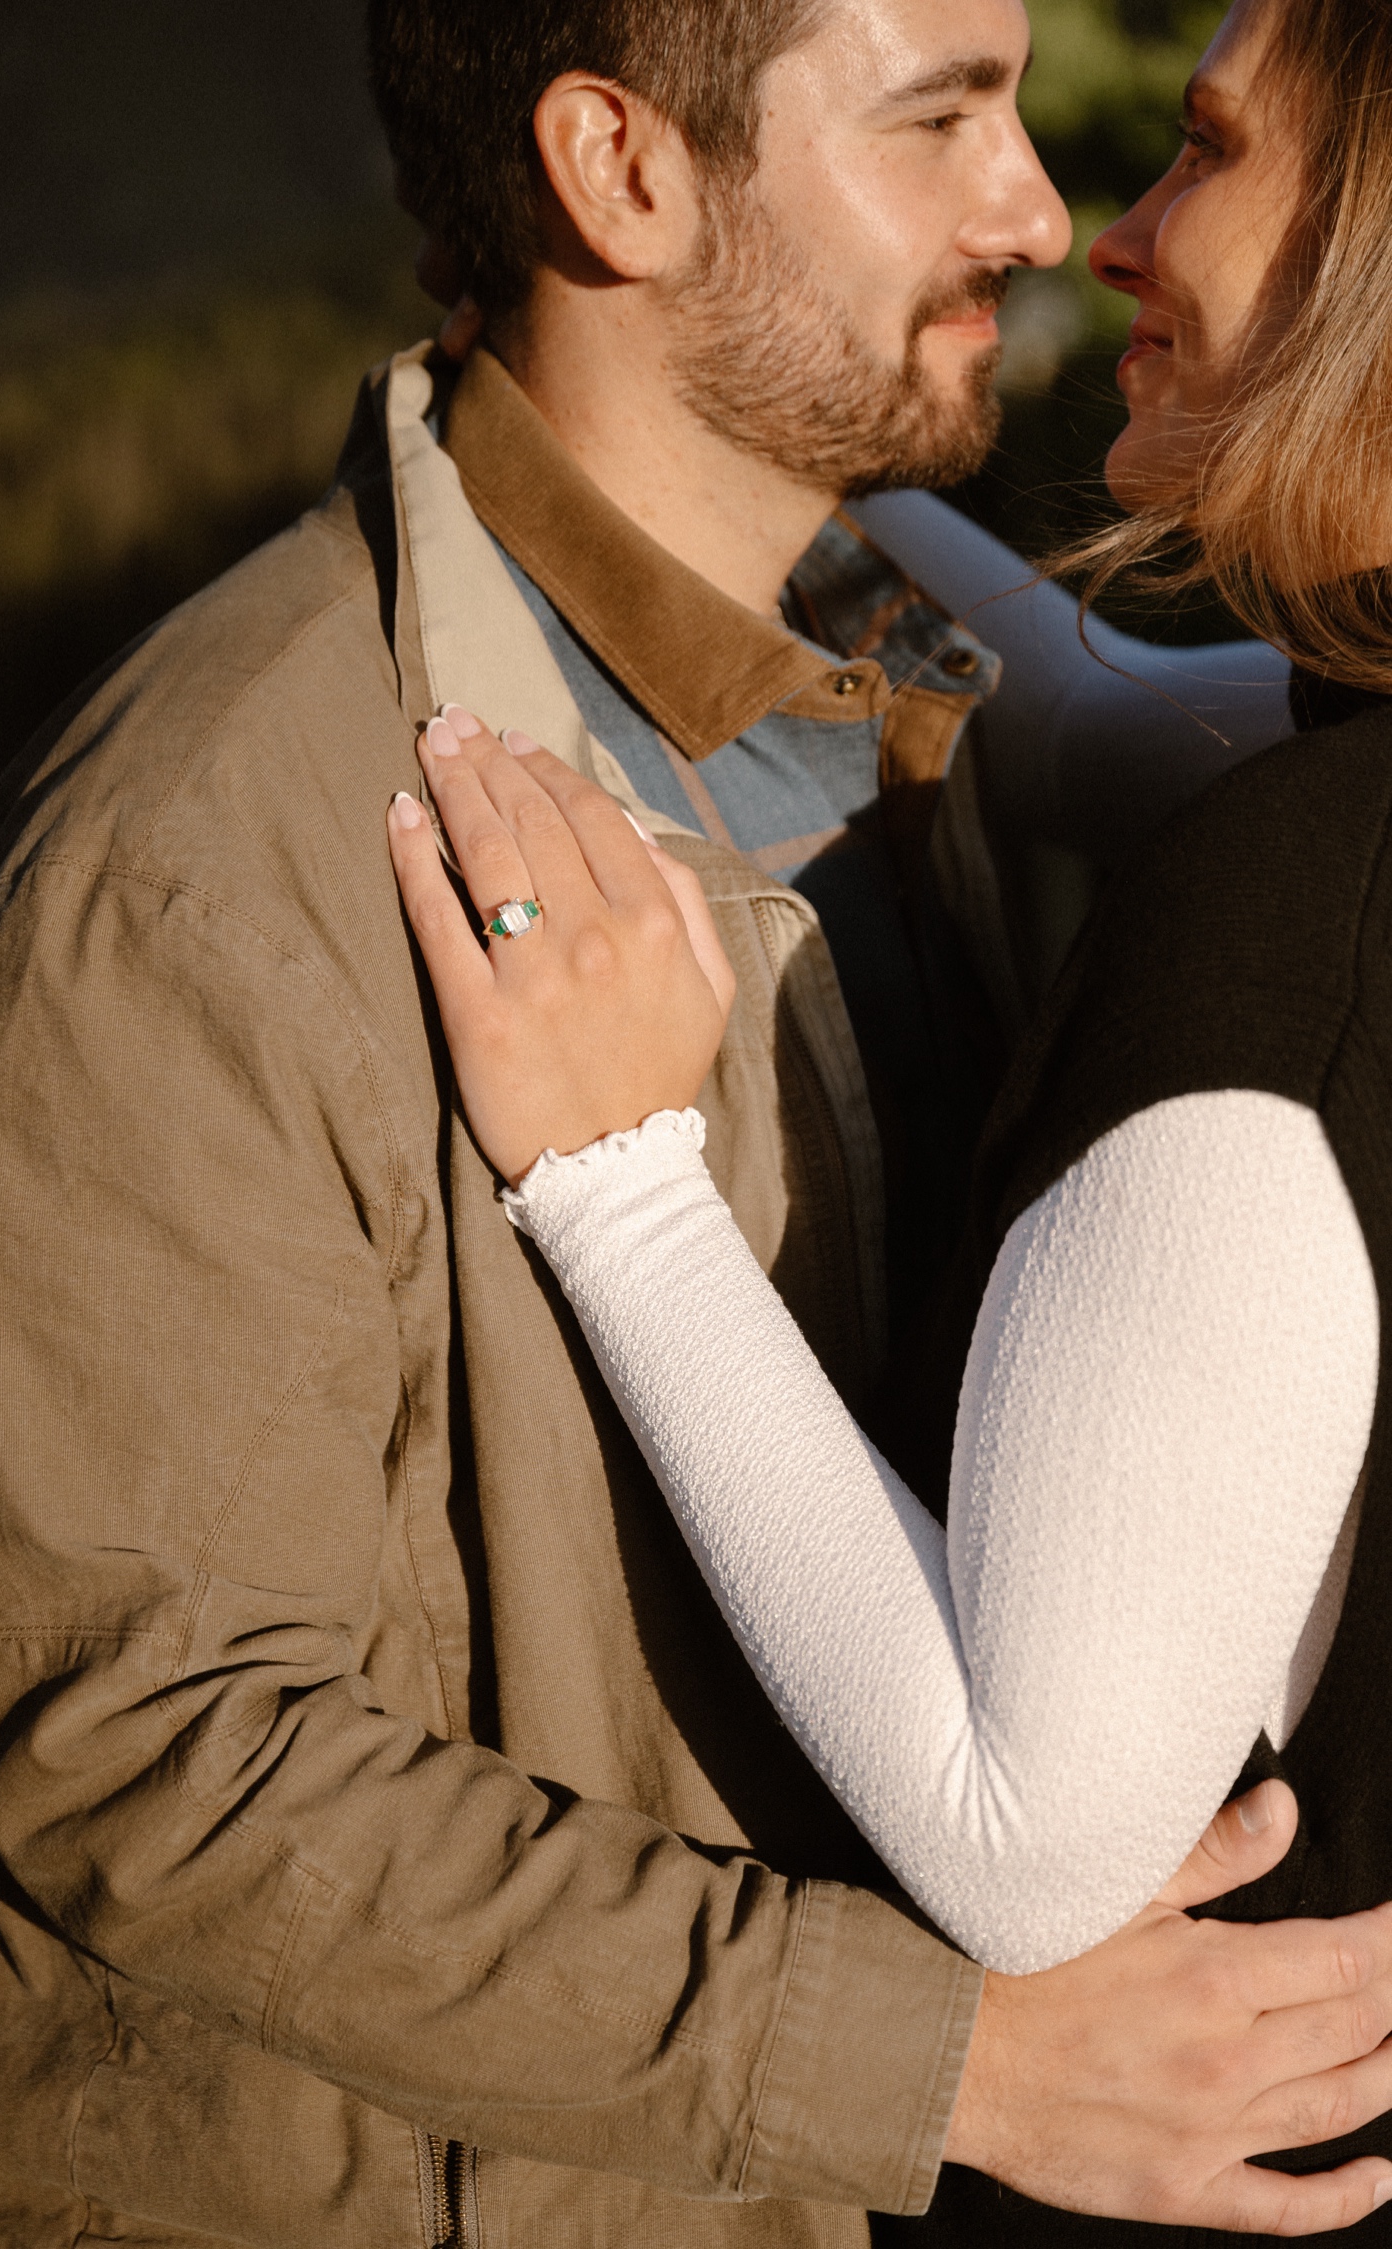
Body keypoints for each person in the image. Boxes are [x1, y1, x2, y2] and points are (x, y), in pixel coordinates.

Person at [0, 0, 1389, 2243]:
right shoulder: (213, 870)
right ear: (621, 173)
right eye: (940, 122)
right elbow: (153, 1751)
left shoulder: (913, 708)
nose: (1041, 211)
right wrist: (943, 2061)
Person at [382, 0, 1392, 2240]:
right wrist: (684, 463)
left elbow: (1025, 1841)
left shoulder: (1302, 916)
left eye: (1204, 151)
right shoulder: (1310, 789)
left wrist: (622, 1193)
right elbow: (1112, 713)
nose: (1096, 230)